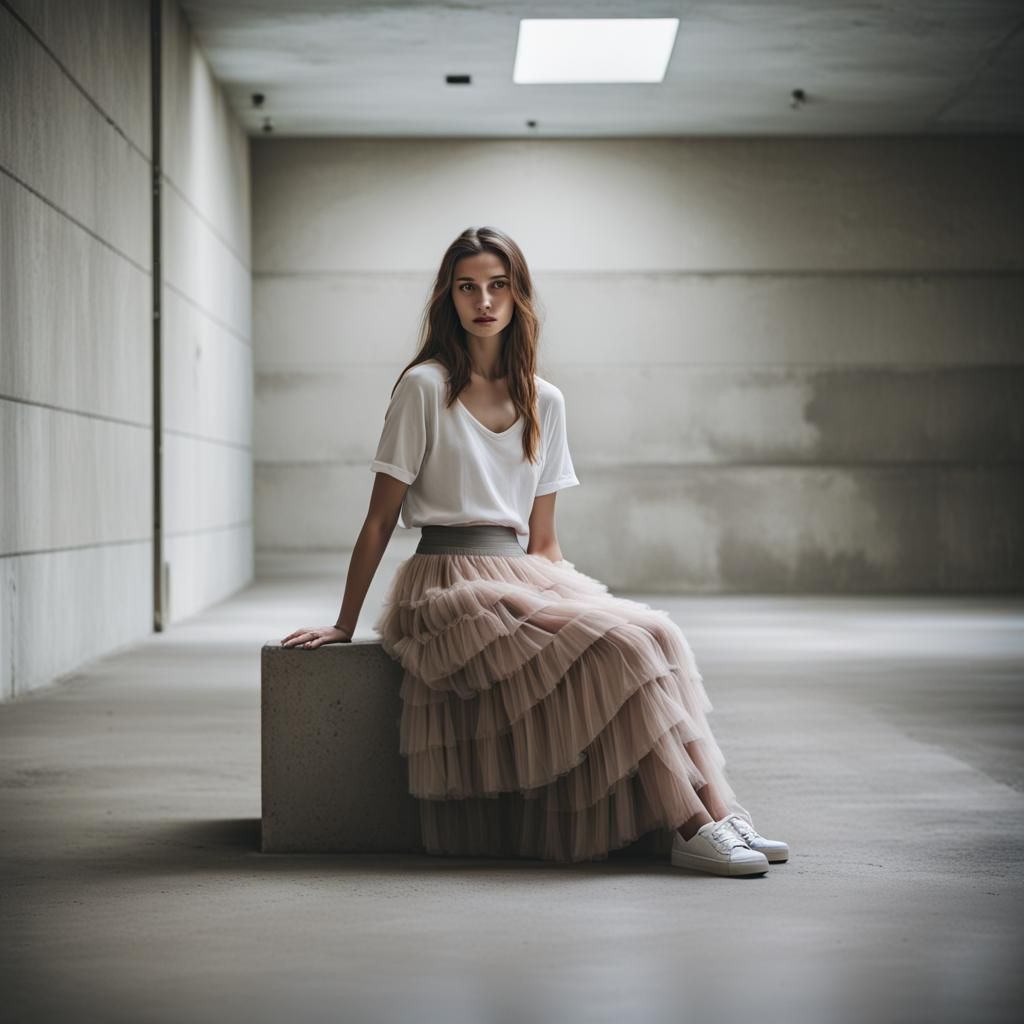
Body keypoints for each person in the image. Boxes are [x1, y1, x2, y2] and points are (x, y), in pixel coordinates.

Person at [281, 226, 789, 876]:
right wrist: (344, 623)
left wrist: (568, 600)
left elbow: (543, 538)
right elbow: (380, 518)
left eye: (498, 286)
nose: (483, 300)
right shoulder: (425, 388)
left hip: (522, 571)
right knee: (625, 646)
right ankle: (690, 828)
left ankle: (719, 812)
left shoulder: (544, 399)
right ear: (450, 298)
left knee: (656, 632)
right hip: (446, 585)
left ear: (519, 296)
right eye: (468, 287)